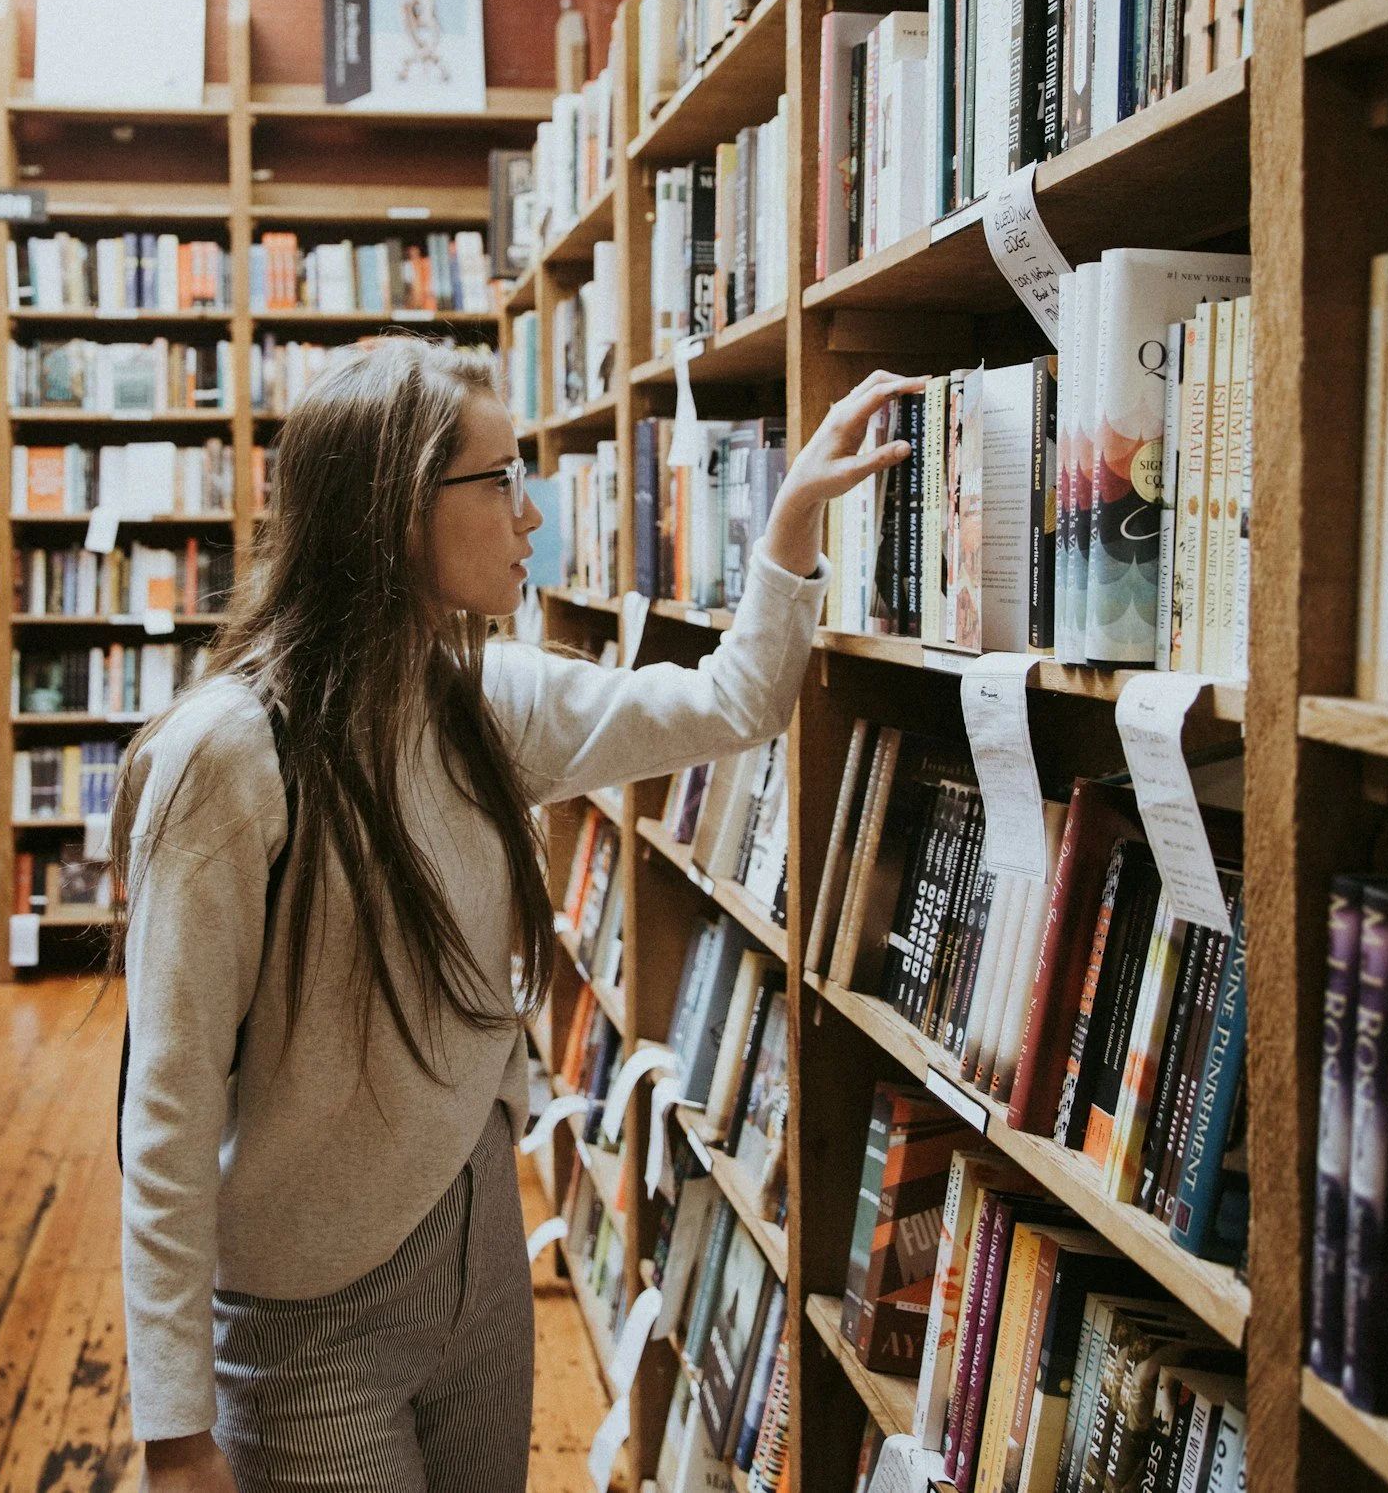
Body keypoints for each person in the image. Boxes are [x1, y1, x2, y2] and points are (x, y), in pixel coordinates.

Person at [115, 338, 915, 1493]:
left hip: (478, 1249)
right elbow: (170, 1099)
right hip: (307, 1317)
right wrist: (174, 1428)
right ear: (396, 511)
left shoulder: (487, 698)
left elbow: (732, 701)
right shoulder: (230, 757)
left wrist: (787, 530)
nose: (531, 511)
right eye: (498, 480)